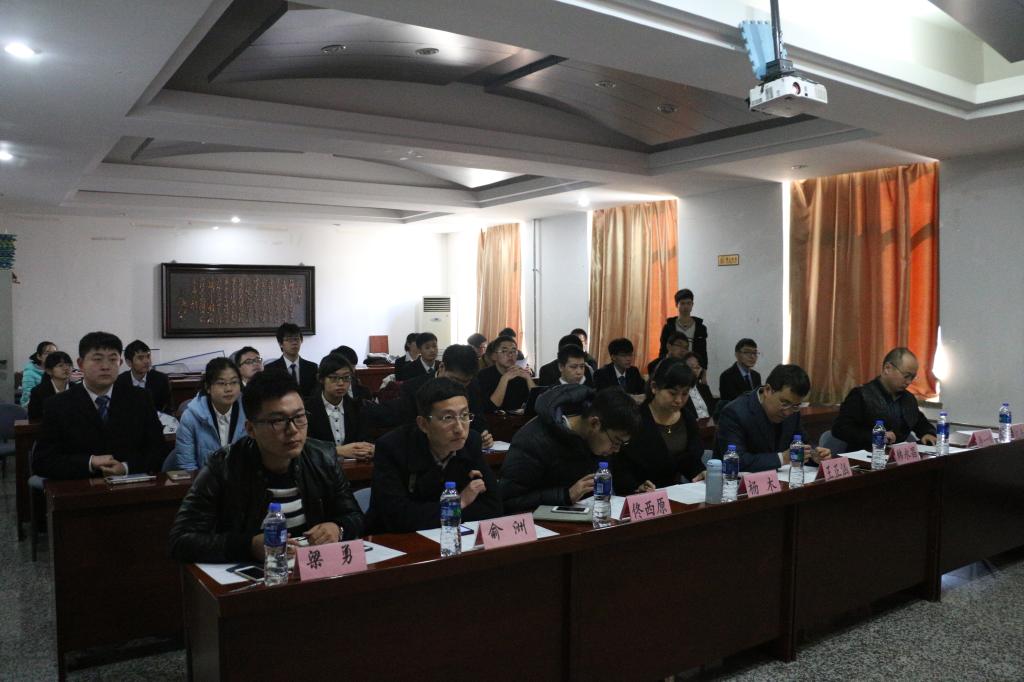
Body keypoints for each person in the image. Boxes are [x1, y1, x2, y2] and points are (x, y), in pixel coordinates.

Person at [168, 371, 365, 563]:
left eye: (299, 417)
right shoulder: (223, 466)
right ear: (251, 429)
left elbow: (355, 516)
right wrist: (249, 546)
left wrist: (338, 528)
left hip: (312, 569)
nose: (293, 430)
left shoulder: (323, 458)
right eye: (278, 421)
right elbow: (181, 540)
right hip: (255, 574)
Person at [369, 378, 503, 533]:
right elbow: (398, 517)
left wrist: (435, 513)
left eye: (464, 415)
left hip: (453, 538)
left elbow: (494, 507)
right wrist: (458, 503)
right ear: (423, 424)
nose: (459, 429)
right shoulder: (392, 448)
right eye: (448, 418)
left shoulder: (471, 442)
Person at [33, 332, 165, 479]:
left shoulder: (140, 398)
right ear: (80, 364)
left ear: (120, 363)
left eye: (113, 359)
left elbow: (158, 449)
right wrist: (90, 462)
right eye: (97, 359)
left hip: (129, 484)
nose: (105, 366)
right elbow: (42, 461)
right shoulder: (57, 404)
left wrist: (125, 467)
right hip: (81, 486)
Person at [500, 384, 641, 513]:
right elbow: (509, 500)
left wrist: (635, 491)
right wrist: (565, 495)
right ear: (594, 423)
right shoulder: (534, 440)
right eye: (616, 442)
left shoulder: (601, 441)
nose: (616, 450)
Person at [714, 364, 831, 473]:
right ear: (767, 390)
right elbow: (736, 461)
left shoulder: (793, 411)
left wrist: (815, 454)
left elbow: (803, 442)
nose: (787, 412)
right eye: (784, 403)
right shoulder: (735, 413)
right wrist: (782, 458)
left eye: (795, 405)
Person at [613, 358, 704, 494]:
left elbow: (689, 459)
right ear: (654, 387)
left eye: (685, 394)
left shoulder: (687, 418)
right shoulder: (635, 420)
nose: (679, 400)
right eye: (672, 393)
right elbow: (620, 468)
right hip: (641, 494)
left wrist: (700, 472)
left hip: (675, 493)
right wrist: (636, 487)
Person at [831, 347, 938, 451]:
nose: (909, 382)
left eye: (913, 377)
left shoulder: (908, 398)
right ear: (887, 368)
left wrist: (927, 433)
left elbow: (919, 421)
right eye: (906, 376)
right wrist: (875, 436)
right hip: (866, 455)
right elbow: (840, 429)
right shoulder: (861, 395)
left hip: (897, 456)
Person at [396, 344, 495, 448]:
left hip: (463, 446)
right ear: (442, 367)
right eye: (455, 380)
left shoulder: (473, 385)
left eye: (465, 382)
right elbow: (410, 429)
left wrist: (484, 435)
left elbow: (478, 418)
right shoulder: (413, 388)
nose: (459, 386)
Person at [172, 357, 247, 471]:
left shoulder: (249, 412)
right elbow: (187, 466)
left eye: (234, 382)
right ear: (208, 387)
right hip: (202, 480)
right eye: (221, 383)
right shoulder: (190, 417)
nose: (229, 389)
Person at [303, 353, 375, 461]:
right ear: (321, 379)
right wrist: (337, 451)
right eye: (334, 378)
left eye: (346, 378)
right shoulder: (307, 409)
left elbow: (366, 439)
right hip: (320, 468)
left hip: (354, 466)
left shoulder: (358, 407)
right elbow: (306, 447)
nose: (341, 383)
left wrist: (369, 449)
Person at [477, 335, 535, 412]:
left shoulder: (520, 374)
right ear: (494, 356)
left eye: (513, 351)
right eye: (504, 351)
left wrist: (528, 378)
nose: (510, 354)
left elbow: (538, 403)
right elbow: (491, 407)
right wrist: (505, 379)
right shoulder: (483, 375)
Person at [114, 339, 172, 413]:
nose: (146, 361)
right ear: (129, 362)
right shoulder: (119, 381)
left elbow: (169, 408)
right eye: (140, 358)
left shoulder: (161, 379)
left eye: (148, 356)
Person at [263, 322, 318, 396]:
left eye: (297, 339)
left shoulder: (312, 368)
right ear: (280, 344)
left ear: (301, 341)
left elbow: (315, 394)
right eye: (289, 339)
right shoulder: (270, 369)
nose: (294, 343)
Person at [658, 288, 708, 369]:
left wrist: (704, 370)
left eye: (688, 303)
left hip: (693, 368)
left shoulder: (700, 328)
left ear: (692, 304)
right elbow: (663, 351)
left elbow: (703, 352)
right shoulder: (668, 327)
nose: (686, 306)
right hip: (673, 367)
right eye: (682, 303)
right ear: (676, 305)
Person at [27, 351, 74, 421]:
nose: (66, 368)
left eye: (69, 365)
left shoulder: (78, 389)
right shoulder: (38, 392)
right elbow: (34, 419)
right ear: (49, 371)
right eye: (60, 365)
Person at [718, 338, 763, 405]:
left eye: (754, 353)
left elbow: (760, 399)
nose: (752, 356)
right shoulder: (727, 376)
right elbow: (731, 404)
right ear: (737, 354)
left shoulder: (756, 376)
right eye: (747, 352)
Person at [19, 340, 57, 407]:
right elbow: (28, 397)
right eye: (48, 353)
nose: (52, 356)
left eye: (55, 353)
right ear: (39, 356)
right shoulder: (30, 373)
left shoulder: (58, 370)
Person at [682, 352, 716, 420]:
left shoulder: (704, 388)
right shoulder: (680, 390)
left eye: (697, 367)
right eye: (691, 367)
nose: (694, 370)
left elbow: (713, 411)